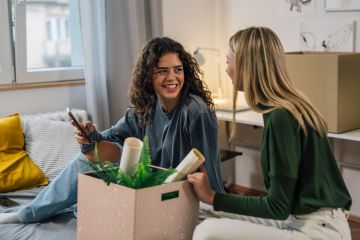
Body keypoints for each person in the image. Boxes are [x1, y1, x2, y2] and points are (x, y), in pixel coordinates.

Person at [0, 37, 224, 224]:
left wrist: (212, 208)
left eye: (178, 69)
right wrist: (90, 136)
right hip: (143, 186)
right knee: (88, 159)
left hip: (172, 194)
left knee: (95, 205)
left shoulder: (195, 112)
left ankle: (39, 211)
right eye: (162, 71)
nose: (172, 78)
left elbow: (210, 176)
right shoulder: (144, 107)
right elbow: (106, 140)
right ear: (149, 76)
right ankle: (27, 214)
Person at [187, 27, 352, 240]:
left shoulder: (281, 116)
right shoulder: (284, 107)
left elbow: (277, 207)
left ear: (247, 65)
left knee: (206, 232)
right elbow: (283, 206)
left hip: (319, 231)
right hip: (299, 217)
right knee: (204, 212)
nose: (227, 70)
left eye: (229, 61)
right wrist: (212, 200)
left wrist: (212, 196)